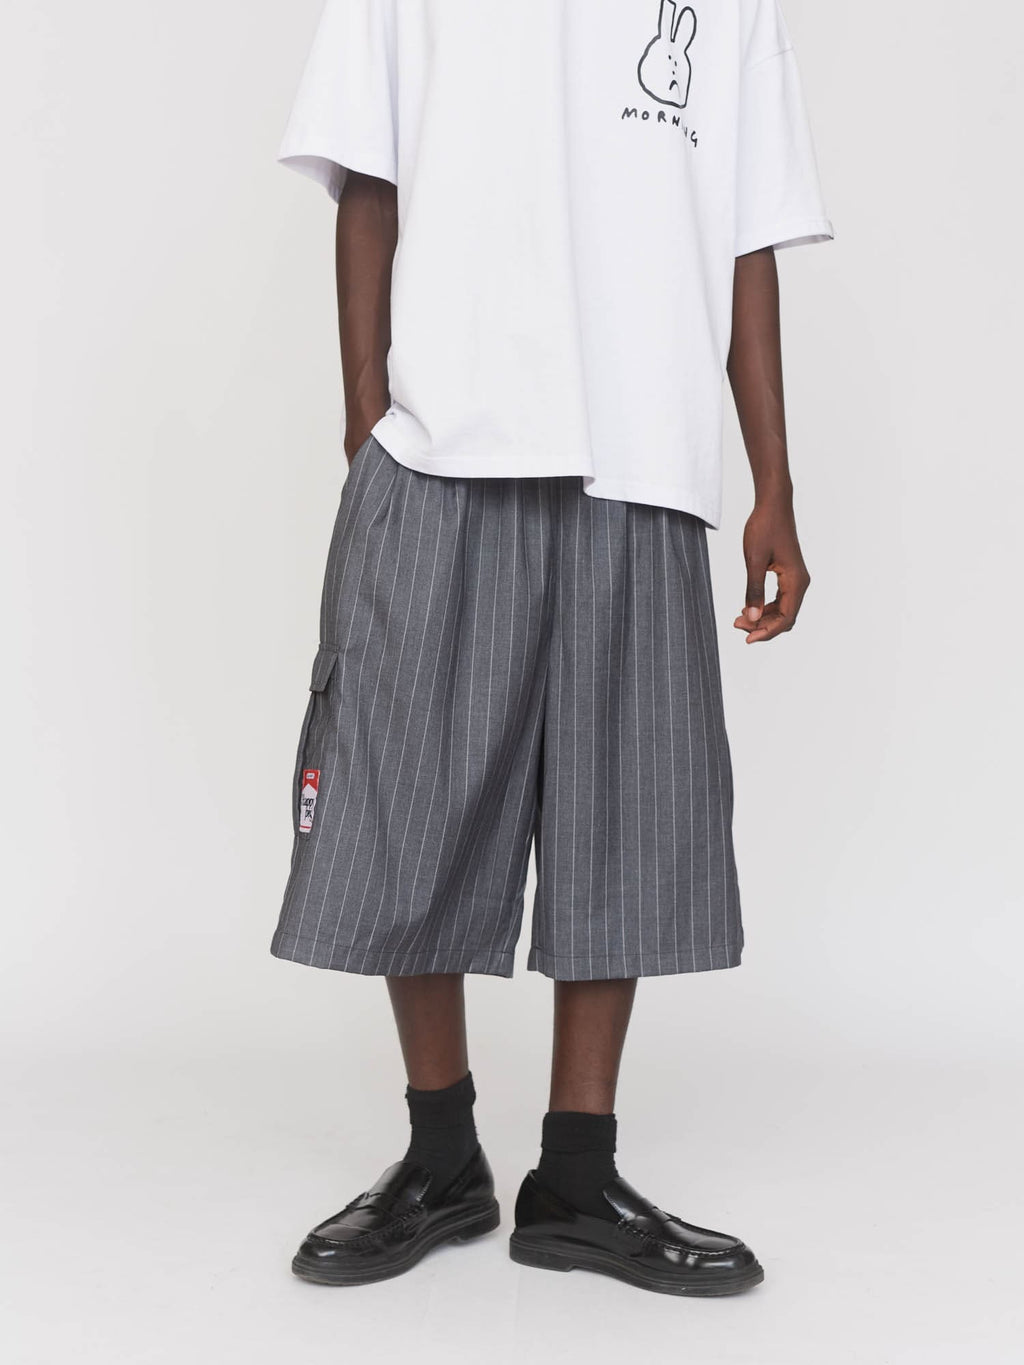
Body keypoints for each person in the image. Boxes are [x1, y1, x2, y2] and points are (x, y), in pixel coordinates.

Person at [270, 0, 833, 1296]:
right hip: (443, 442)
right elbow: (368, 176)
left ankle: (577, 1175)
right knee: (408, 798)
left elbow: (745, 235)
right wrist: (366, 422)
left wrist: (775, 483)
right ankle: (440, 1154)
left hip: (640, 452)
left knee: (627, 812)